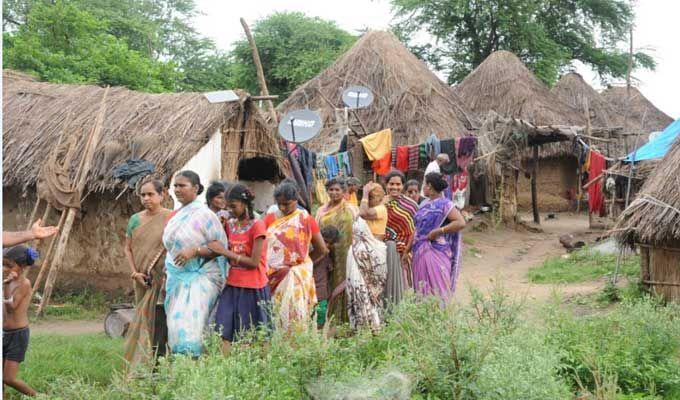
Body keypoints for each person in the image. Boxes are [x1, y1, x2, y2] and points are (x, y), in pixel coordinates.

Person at [162, 171, 228, 356]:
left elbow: (219, 248)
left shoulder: (205, 215)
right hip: (177, 278)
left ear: (196, 188)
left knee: (193, 328)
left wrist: (195, 251)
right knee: (176, 326)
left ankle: (197, 368)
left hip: (202, 278)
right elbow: (171, 250)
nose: (177, 189)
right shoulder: (176, 216)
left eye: (182, 185)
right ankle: (182, 369)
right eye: (175, 186)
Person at [208, 184, 271, 355]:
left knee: (254, 332)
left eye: (233, 206)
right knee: (224, 327)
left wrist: (225, 252)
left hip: (253, 287)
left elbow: (254, 262)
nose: (230, 210)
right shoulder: (231, 225)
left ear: (245, 204)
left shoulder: (257, 226)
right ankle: (228, 367)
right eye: (228, 206)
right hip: (233, 284)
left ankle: (260, 366)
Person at [263, 180, 327, 332]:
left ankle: (296, 349)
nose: (283, 208)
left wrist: (303, 262)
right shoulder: (270, 219)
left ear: (296, 199)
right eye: (279, 204)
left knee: (296, 316)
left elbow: (322, 249)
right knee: (275, 314)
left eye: (287, 203)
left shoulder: (306, 219)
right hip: (273, 276)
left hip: (296, 275)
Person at [122, 178, 172, 369]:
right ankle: (144, 362)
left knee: (161, 322)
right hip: (142, 280)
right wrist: (135, 272)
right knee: (144, 321)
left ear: (162, 195)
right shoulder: (135, 219)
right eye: (143, 195)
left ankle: (160, 363)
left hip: (163, 280)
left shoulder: (171, 217)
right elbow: (128, 248)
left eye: (150, 194)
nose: (146, 198)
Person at [406, 173, 466, 302]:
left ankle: (440, 316)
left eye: (424, 184)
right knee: (421, 288)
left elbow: (460, 222)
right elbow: (417, 229)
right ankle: (423, 317)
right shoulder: (423, 205)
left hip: (436, 251)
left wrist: (439, 231)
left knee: (438, 288)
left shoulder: (445, 204)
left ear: (430, 186)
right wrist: (407, 250)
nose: (423, 188)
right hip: (419, 251)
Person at [315, 177, 358, 325]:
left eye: (337, 190)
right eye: (331, 189)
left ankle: (345, 317)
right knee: (325, 282)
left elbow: (358, 230)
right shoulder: (321, 210)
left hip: (345, 254)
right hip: (325, 254)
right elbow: (316, 231)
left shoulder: (351, 209)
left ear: (344, 191)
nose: (334, 193)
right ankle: (328, 317)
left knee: (345, 280)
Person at [3, 245, 39, 397]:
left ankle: (39, 396)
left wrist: (4, 286)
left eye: (9, 265)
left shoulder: (24, 284)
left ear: (22, 266)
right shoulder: (7, 280)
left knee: (8, 378)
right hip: (4, 333)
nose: (4, 268)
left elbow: (11, 307)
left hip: (18, 335)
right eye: (3, 264)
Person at [346, 217, 387, 331]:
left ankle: (365, 330)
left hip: (360, 285)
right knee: (369, 307)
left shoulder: (357, 249)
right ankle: (371, 330)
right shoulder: (375, 247)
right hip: (368, 285)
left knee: (364, 306)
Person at [383, 170, 418, 298]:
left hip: (404, 252)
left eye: (398, 184)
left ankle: (401, 310)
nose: (394, 187)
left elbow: (415, 230)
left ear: (403, 186)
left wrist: (407, 250)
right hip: (383, 250)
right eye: (391, 184)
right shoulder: (379, 203)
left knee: (402, 285)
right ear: (386, 185)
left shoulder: (411, 205)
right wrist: (381, 204)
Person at [313, 226, 339, 328]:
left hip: (321, 293)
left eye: (329, 243)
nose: (326, 245)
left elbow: (330, 270)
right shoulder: (311, 251)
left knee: (321, 317)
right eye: (324, 241)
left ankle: (319, 338)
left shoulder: (327, 255)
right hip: (309, 291)